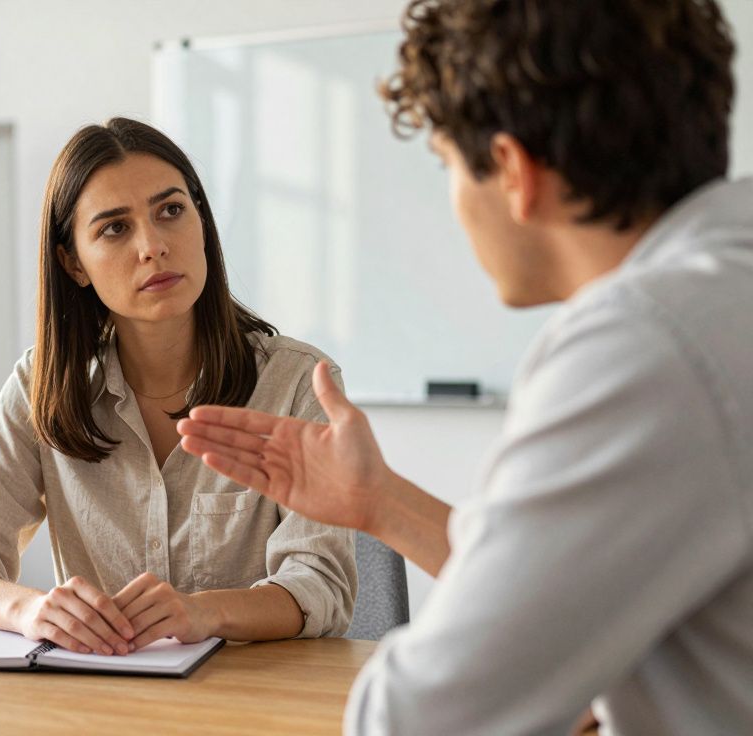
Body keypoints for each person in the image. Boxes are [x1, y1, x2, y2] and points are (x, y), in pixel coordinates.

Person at [177, 1, 751, 732]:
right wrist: (379, 501)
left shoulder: (643, 349)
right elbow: (558, 596)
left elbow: (423, 717)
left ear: (513, 171)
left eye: (447, 164)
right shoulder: (722, 290)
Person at [0, 118, 356, 657]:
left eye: (171, 211)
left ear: (201, 220)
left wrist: (205, 611)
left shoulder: (296, 385)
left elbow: (322, 586)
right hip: (104, 703)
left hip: (253, 704)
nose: (153, 246)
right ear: (73, 263)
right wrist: (28, 610)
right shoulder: (42, 386)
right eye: (114, 229)